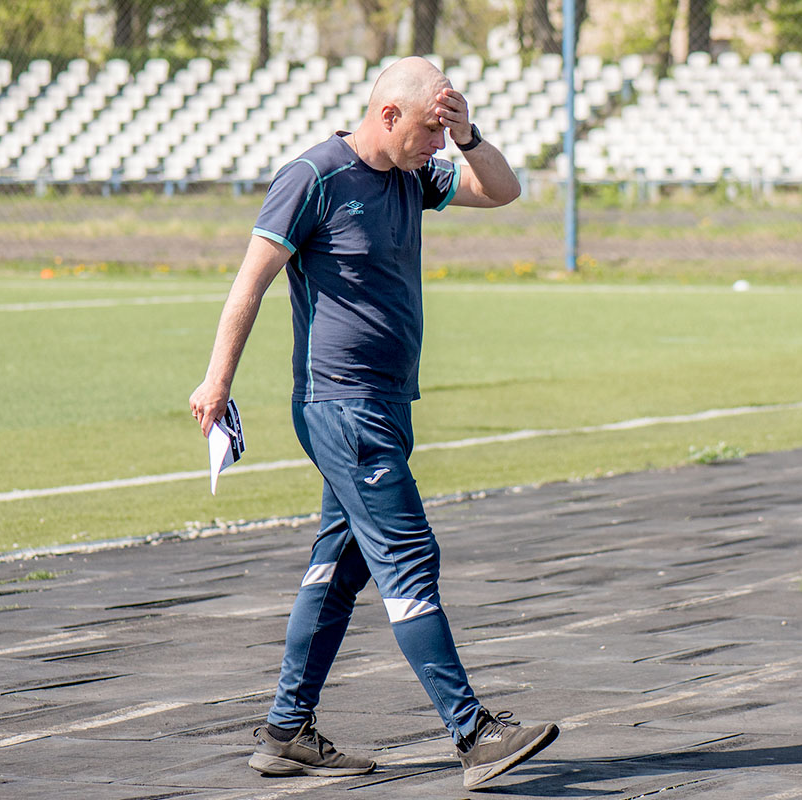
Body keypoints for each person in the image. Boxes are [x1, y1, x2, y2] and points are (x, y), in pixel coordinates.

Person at [188, 56, 558, 789]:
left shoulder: (412, 175)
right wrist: (218, 379)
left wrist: (468, 133)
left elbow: (503, 190)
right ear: (388, 114)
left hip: (387, 403)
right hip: (342, 406)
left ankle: (286, 730)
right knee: (409, 556)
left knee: (341, 566)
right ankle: (473, 732)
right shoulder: (315, 176)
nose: (437, 145)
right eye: (430, 128)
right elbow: (250, 282)